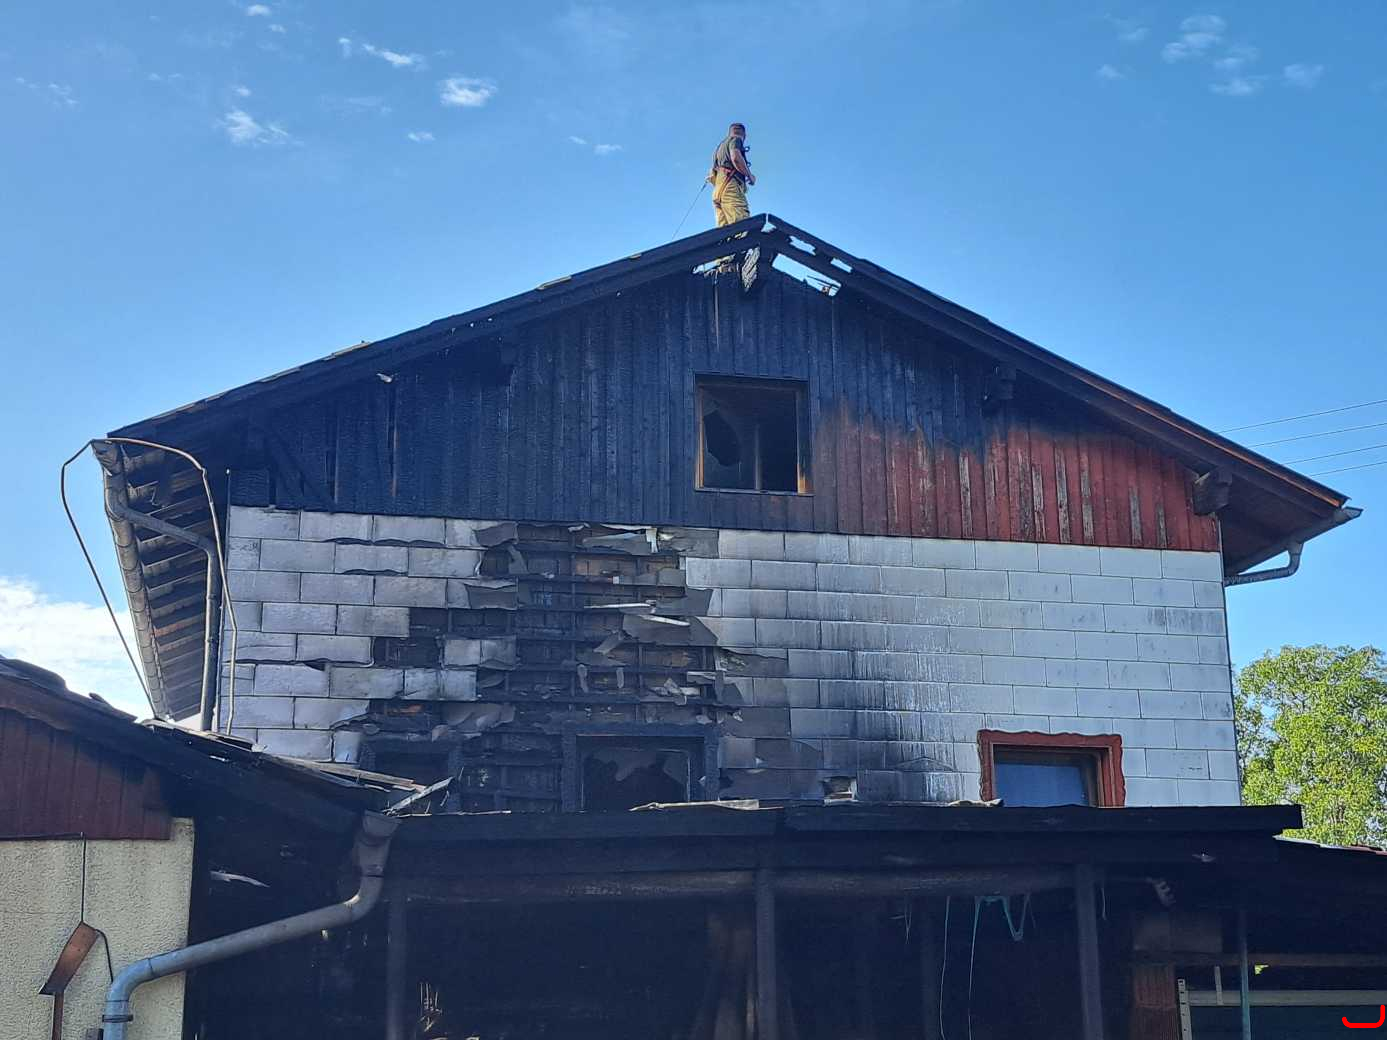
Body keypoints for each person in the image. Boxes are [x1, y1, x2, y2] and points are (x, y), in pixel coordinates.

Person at [709, 122, 755, 227]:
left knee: (725, 231)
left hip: (717, 189)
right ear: (744, 135)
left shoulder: (719, 148)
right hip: (730, 186)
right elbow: (736, 158)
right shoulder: (736, 140)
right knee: (741, 225)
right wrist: (749, 175)